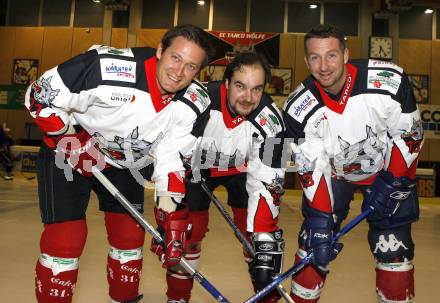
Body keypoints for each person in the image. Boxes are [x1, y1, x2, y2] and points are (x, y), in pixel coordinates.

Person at [24, 24, 214, 303]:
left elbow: (171, 158)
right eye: (175, 58)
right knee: (66, 239)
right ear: (160, 51)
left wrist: (170, 216)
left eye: (191, 66)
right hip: (67, 150)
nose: (179, 72)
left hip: (125, 161)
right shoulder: (105, 67)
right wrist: (73, 138)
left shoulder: (196, 103)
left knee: (129, 237)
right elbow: (38, 96)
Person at [283, 24, 423, 302]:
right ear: (305, 61)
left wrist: (395, 180)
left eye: (331, 55)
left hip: (387, 173)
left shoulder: (389, 80)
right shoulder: (298, 107)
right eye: (315, 58)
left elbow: (409, 134)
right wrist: (321, 221)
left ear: (346, 54)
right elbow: (312, 167)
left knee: (394, 251)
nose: (324, 66)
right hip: (334, 176)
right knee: (312, 247)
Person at [164, 52, 286, 303]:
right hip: (198, 168)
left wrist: (264, 238)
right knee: (187, 236)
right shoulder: (199, 99)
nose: (248, 97)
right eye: (240, 86)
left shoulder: (273, 121)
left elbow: (269, 181)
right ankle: (177, 298)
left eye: (257, 89)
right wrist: (168, 203)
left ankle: (266, 295)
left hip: (245, 171)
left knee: (257, 242)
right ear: (226, 83)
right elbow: (167, 145)